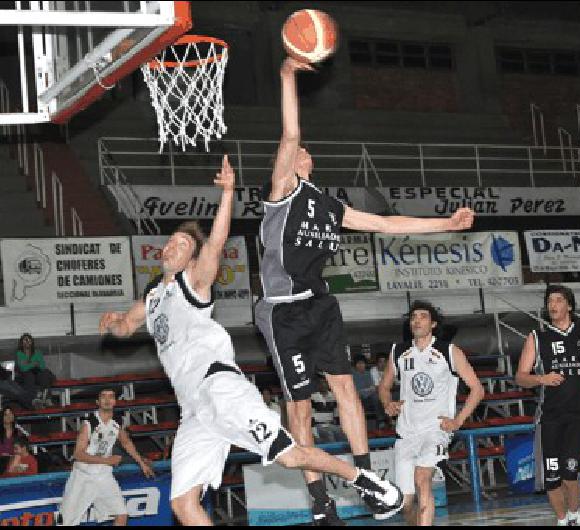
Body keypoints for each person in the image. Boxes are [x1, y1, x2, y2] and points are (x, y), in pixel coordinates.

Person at [99, 156, 403, 526]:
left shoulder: (193, 284)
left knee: (289, 456)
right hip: (193, 409)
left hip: (219, 387)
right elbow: (127, 327)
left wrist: (227, 193)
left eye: (180, 244)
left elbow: (217, 242)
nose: (170, 248)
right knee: (182, 504)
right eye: (169, 243)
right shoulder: (151, 299)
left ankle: (364, 479)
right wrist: (113, 323)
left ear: (192, 260)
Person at [254, 56, 474, 524]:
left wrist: (445, 225)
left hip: (319, 305)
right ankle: (320, 503)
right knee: (300, 408)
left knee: (346, 390)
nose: (298, 152)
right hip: (280, 313)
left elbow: (385, 222)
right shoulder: (280, 194)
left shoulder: (330, 206)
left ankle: (366, 478)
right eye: (293, 151)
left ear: (310, 162)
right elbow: (290, 133)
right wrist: (287, 76)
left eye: (303, 152)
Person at [378, 301, 484, 526]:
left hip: (436, 430)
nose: (416, 320)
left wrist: (458, 420)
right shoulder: (399, 352)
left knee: (422, 479)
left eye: (423, 316)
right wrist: (388, 404)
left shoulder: (449, 351)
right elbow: (384, 386)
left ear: (433, 323)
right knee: (405, 503)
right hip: (406, 432)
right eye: (413, 316)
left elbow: (477, 389)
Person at [515, 285, 580, 526]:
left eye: (558, 300)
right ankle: (562, 519)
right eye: (549, 301)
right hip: (550, 417)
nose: (553, 305)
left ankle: (574, 515)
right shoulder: (537, 337)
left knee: (571, 472)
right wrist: (541, 379)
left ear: (569, 305)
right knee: (552, 478)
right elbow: (520, 376)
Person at [59, 388, 155, 526]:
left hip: (104, 475)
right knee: (66, 522)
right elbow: (78, 454)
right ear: (98, 401)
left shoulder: (117, 422)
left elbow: (126, 442)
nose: (107, 399)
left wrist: (141, 462)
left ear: (115, 401)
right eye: (103, 396)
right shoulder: (89, 424)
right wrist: (107, 460)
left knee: (121, 515)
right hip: (83, 476)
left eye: (111, 396)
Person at [15, 334, 55, 406]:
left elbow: (42, 366)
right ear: (21, 343)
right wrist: (34, 363)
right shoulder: (19, 353)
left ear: (32, 342)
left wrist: (28, 363)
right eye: (25, 340)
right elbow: (23, 368)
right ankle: (33, 399)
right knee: (29, 375)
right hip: (24, 376)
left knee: (44, 373)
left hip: (37, 374)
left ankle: (47, 398)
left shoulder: (37, 352)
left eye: (29, 340)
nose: (27, 342)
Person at [353, 355, 388, 429]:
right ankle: (380, 420)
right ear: (355, 365)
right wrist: (367, 390)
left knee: (378, 397)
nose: (361, 365)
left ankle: (383, 420)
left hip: (369, 396)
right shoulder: (353, 375)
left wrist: (367, 390)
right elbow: (356, 390)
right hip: (358, 398)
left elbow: (372, 387)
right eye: (359, 363)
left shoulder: (367, 373)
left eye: (362, 363)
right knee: (372, 397)